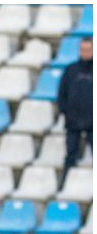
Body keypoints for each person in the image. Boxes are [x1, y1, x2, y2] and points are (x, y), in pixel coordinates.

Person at [58, 37, 93, 182]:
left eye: (88, 50)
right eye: (83, 49)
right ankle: (66, 184)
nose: (85, 53)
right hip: (73, 121)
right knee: (70, 154)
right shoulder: (71, 70)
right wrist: (65, 110)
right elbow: (62, 93)